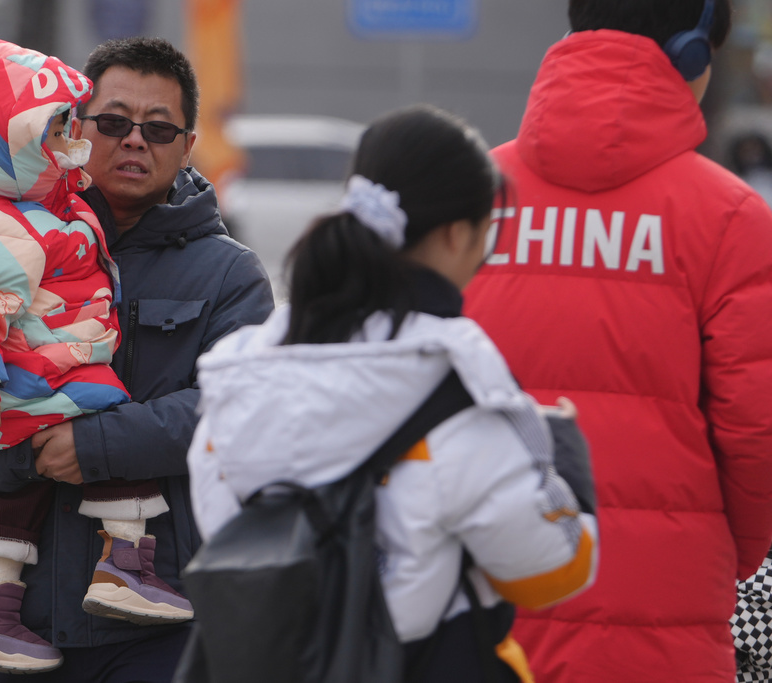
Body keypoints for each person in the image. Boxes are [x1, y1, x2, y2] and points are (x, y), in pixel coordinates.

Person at [0, 36, 275, 682]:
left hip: (163, 625)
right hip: (15, 625)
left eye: (159, 128)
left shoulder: (231, 277)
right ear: (74, 125)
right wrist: (31, 446)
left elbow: (237, 411)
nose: (135, 140)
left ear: (189, 145)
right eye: (112, 122)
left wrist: (95, 444)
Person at [187, 104, 599, 682]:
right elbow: (550, 569)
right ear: (458, 234)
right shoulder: (456, 384)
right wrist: (567, 465)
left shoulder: (248, 369)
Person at [463, 1, 772, 680]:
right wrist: (725, 554)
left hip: (487, 605)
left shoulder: (470, 198)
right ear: (692, 53)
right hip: (666, 620)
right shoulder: (734, 220)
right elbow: (756, 437)